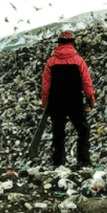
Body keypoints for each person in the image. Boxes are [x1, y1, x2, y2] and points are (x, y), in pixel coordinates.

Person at [41, 31, 95, 167]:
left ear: (59, 44)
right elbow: (87, 82)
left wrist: (45, 103)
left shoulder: (51, 62)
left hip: (56, 102)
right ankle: (83, 161)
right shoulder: (78, 61)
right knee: (83, 130)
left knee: (58, 133)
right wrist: (90, 98)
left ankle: (59, 162)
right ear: (72, 43)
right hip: (74, 101)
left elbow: (46, 85)